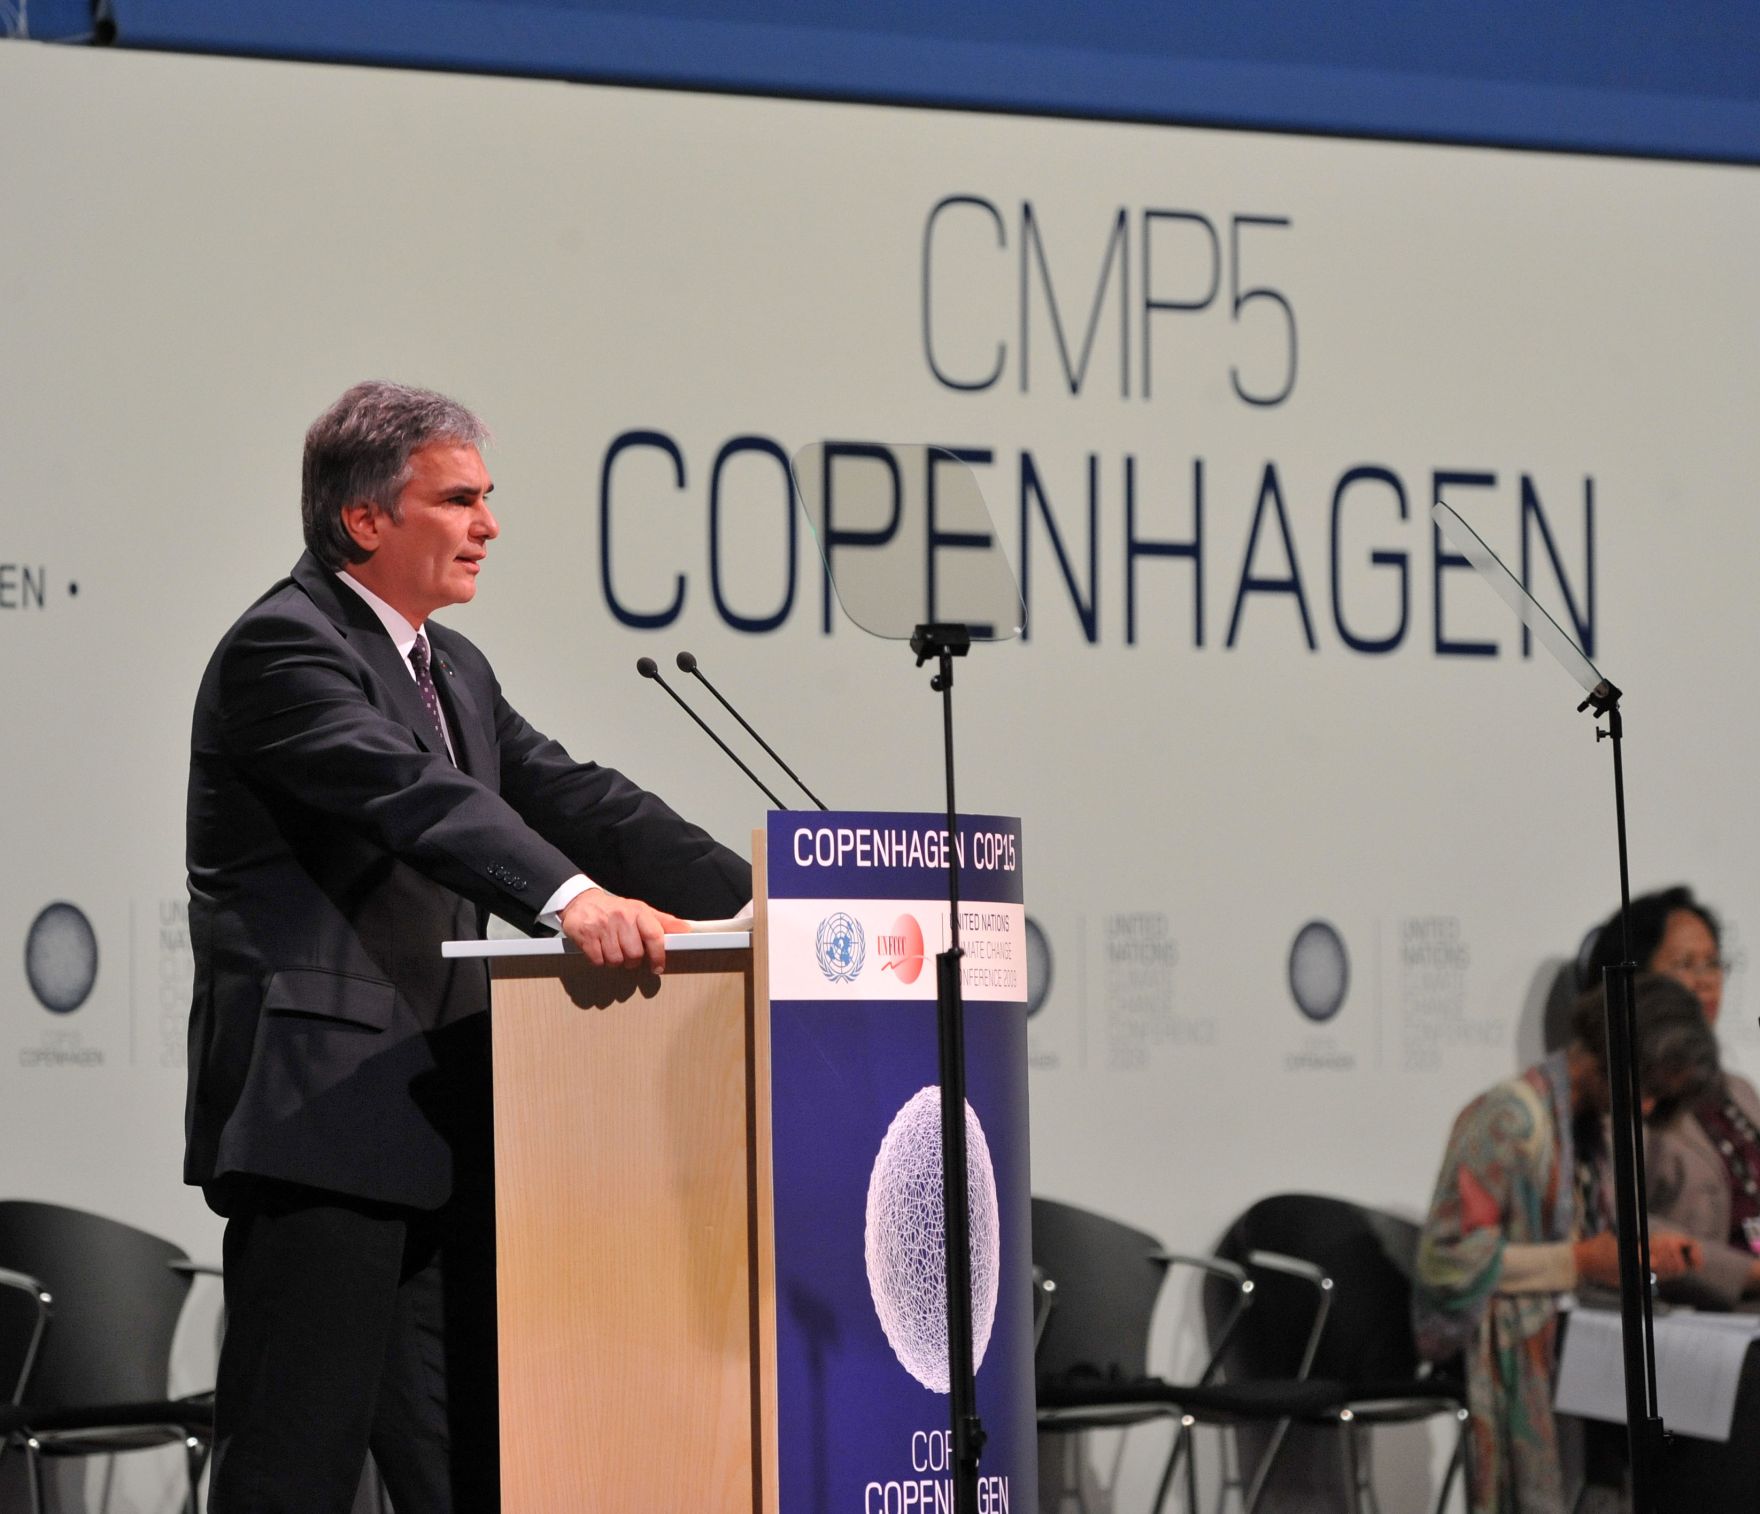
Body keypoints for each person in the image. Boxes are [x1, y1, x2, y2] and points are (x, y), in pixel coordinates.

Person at [184, 381, 751, 1514]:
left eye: (487, 497)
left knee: (464, 1468)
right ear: (365, 519)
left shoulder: (454, 668)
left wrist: (779, 896)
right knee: (294, 1464)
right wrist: (569, 899)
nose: (489, 522)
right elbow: (418, 798)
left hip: (450, 1122)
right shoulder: (282, 649)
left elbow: (577, 798)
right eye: (459, 499)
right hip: (323, 1125)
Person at [1413, 975, 1715, 1514]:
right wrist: (1579, 1261)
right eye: (1645, 1086)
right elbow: (1446, 1263)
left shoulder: (1585, 1130)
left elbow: (1581, 1244)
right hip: (1509, 1360)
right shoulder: (1509, 1119)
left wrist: (1635, 1257)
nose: (1645, 1108)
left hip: (1571, 1362)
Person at [1582, 886, 1760, 1306]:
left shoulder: (1738, 1091)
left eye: (1713, 964)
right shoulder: (1621, 1096)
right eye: (1685, 964)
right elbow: (1616, 1218)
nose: (1704, 981)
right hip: (1702, 1315)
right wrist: (1744, 1273)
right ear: (1636, 982)